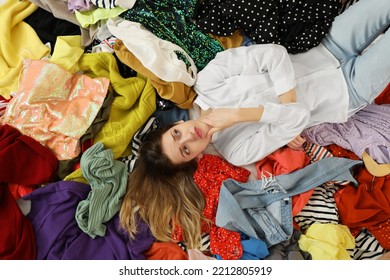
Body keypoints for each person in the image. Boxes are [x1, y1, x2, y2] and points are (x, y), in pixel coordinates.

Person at [120, 0, 390, 248]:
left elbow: (274, 54)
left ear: (172, 126)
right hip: (347, 92)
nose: (190, 136)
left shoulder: (207, 83)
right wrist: (238, 115)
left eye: (177, 134)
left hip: (329, 45)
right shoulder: (238, 152)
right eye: (186, 149)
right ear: (195, 159)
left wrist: (285, 109)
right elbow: (298, 118)